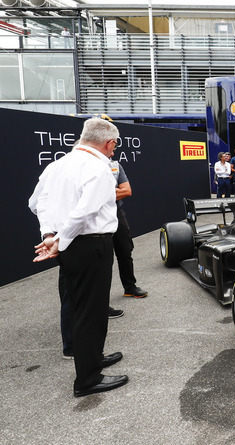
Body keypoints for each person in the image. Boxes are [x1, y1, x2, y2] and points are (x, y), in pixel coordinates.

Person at [28, 117, 128, 397]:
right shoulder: (99, 167)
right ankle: (88, 379)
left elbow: (36, 203)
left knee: (78, 305)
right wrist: (60, 240)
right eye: (114, 146)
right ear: (109, 143)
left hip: (70, 246)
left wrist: (50, 235)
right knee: (91, 311)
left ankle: (92, 359)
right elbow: (86, 211)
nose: (113, 151)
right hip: (90, 245)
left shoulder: (56, 165)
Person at [110, 160, 147, 298]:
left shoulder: (115, 165)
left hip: (117, 213)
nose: (113, 152)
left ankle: (130, 287)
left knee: (125, 250)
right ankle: (101, 301)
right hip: (97, 216)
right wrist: (112, 192)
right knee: (104, 259)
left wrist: (105, 193)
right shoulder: (90, 165)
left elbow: (127, 191)